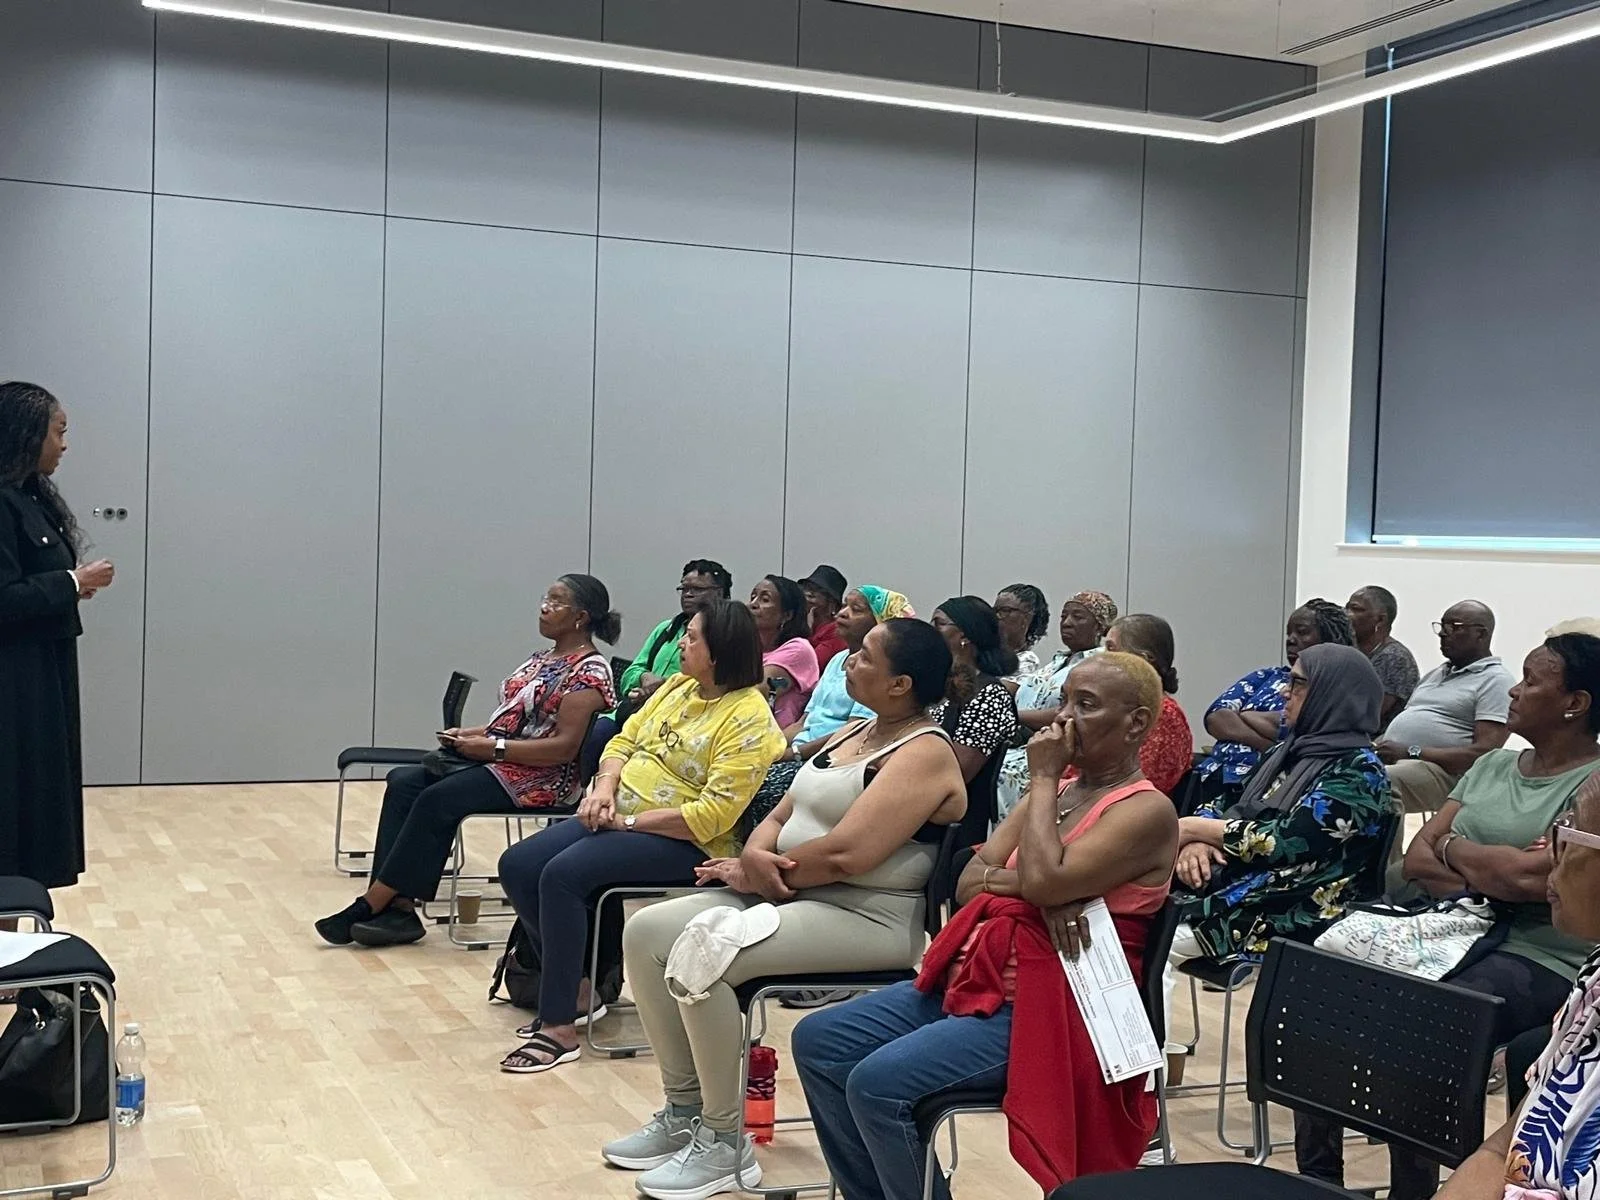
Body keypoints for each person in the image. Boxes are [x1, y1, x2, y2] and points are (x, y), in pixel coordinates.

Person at [791, 654, 1179, 1200]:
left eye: (1084, 706)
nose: (1061, 720)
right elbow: (969, 881)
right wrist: (1041, 889)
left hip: (1057, 1009)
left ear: (1136, 723)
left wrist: (1042, 795)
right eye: (1063, 700)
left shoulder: (1144, 810)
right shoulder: (1063, 793)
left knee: (878, 1085)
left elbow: (1041, 882)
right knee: (820, 1040)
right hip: (982, 982)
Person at [603, 619, 967, 1200]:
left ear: (901, 683)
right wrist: (753, 854)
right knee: (647, 933)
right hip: (795, 890)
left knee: (709, 954)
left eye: (864, 657)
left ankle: (726, 1143)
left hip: (866, 915)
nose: (848, 662)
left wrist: (756, 871)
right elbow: (780, 811)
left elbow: (851, 853)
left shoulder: (925, 752)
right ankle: (685, 1109)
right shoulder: (856, 730)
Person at [1299, 634, 1600, 1200]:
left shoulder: (1593, 788)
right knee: (1327, 982)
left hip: (1541, 951)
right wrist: (1494, 867)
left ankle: (1414, 1192)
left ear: (1574, 703)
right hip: (1449, 923)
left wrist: (1455, 848)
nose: (1514, 689)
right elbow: (1419, 858)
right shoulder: (1493, 764)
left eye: (1531, 681)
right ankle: (1319, 1178)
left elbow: (1538, 882)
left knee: (1428, 1020)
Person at [494, 599, 785, 1073]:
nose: (682, 644)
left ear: (719, 653)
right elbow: (623, 741)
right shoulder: (679, 687)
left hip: (687, 842)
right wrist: (605, 787)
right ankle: (579, 988)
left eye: (692, 638)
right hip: (618, 815)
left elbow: (710, 816)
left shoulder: (750, 719)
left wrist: (624, 822)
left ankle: (558, 1028)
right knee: (520, 865)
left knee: (563, 875)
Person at [315, 574, 621, 947]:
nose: (544, 608)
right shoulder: (542, 658)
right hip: (503, 760)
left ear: (581, 617)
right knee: (405, 781)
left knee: (438, 799)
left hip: (542, 779)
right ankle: (400, 908)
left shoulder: (589, 672)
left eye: (556, 602)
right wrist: (474, 735)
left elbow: (563, 749)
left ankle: (371, 904)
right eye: (546, 598)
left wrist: (492, 749)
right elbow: (513, 721)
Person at [1166, 644, 1391, 1043]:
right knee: (1129, 921)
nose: (1285, 692)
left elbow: (1282, 842)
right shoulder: (1288, 751)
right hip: (1240, 888)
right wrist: (1193, 843)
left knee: (1155, 947)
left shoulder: (1359, 773)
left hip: (1288, 908)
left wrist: (1193, 829)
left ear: (1333, 694)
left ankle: (1142, 1079)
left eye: (1299, 684)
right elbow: (1227, 805)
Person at [1431, 769, 1600, 1200]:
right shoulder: (1595, 977)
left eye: (1566, 832)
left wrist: (1453, 849)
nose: (1550, 854)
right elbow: (1504, 1151)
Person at [0, 381, 115, 892]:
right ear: (26, 434)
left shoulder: (27, 498)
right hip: (13, 684)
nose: (64, 445)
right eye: (58, 432)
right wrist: (71, 581)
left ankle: (22, 922)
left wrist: (66, 590)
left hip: (41, 675)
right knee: (15, 809)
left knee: (37, 810)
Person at [740, 584, 914, 835]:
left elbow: (853, 733)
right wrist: (771, 748)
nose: (841, 613)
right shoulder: (837, 660)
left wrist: (792, 754)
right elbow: (803, 723)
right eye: (844, 605)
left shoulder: (878, 674)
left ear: (881, 624)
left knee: (761, 790)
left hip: (830, 759)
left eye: (856, 610)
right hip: (798, 752)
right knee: (741, 771)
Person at [1190, 598, 1355, 813]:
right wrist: (1269, 746)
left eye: (1302, 632)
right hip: (1211, 774)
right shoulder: (1267, 675)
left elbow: (1292, 727)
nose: (1291, 640)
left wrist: (1245, 715)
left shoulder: (1327, 690)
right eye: (1289, 633)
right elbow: (1215, 717)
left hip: (1264, 787)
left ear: (1329, 639)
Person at [1378, 600, 1515, 819]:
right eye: (1442, 626)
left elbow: (1484, 754)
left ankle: (1388, 855)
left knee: (1377, 782)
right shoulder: (1435, 674)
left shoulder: (1496, 681)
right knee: (1344, 771)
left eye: (1454, 627)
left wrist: (1411, 751)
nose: (1443, 633)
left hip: (1446, 774)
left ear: (1481, 634)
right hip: (1404, 762)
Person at [996, 590, 1118, 818]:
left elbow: (1070, 713)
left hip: (1055, 748)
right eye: (1064, 616)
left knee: (999, 772)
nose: (1067, 623)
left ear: (1100, 627)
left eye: (1078, 617)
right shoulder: (1057, 661)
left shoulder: (1099, 664)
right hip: (1020, 740)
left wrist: (1012, 715)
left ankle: (1001, 844)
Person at [930, 597, 1021, 799]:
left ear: (966, 635)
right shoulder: (937, 682)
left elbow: (957, 773)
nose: (931, 630)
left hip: (951, 814)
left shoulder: (990, 696)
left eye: (938, 624)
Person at [1098, 614, 1193, 796]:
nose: (1103, 658)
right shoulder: (1119, 705)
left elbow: (1146, 785)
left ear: (1145, 659)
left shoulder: (1165, 715)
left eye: (1111, 649)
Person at [749, 574, 820, 728]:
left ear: (787, 615)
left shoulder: (798, 649)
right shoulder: (749, 647)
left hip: (774, 740)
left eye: (765, 600)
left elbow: (755, 693)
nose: (753, 604)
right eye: (753, 597)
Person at [1346, 585, 1421, 728]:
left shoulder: (1394, 657)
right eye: (1347, 608)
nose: (1347, 614)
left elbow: (1367, 716)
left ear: (1380, 620)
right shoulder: (1352, 650)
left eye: (1356, 609)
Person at [993, 584, 1050, 679]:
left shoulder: (1026, 661)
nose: (997, 616)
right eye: (994, 611)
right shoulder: (988, 654)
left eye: (1005, 610)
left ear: (1027, 618)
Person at [801, 565, 848, 669]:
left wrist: (805, 633)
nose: (807, 594)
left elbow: (809, 666)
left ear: (832, 605)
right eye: (806, 588)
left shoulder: (836, 632)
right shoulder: (797, 623)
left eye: (814, 592)